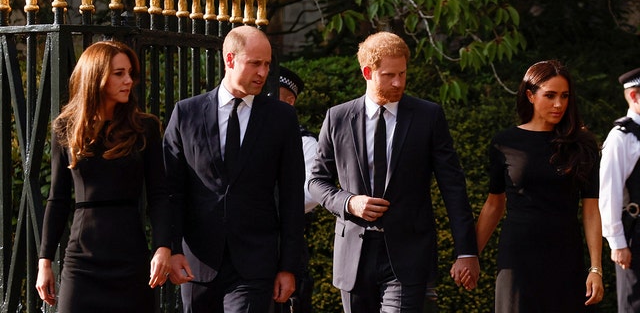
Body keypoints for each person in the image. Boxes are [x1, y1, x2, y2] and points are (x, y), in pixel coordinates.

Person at [308, 31, 479, 313]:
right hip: (354, 255)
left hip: (408, 255)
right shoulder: (337, 117)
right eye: (389, 75)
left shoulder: (428, 116)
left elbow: (453, 186)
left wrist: (466, 251)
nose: (399, 82)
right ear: (367, 71)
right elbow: (316, 181)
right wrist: (350, 202)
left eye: (402, 73)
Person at [163, 25, 305, 313]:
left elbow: (292, 196)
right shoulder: (186, 113)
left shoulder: (281, 118)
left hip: (255, 264)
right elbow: (170, 190)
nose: (263, 73)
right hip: (198, 263)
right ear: (230, 59)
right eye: (255, 63)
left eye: (266, 64)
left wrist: (289, 266)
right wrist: (171, 248)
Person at [35, 40, 174, 312]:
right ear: (96, 76)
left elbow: (159, 194)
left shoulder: (144, 127)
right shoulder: (66, 128)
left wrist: (163, 247)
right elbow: (58, 199)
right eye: (119, 73)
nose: (129, 80)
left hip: (130, 258)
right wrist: (45, 261)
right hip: (82, 261)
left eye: (130, 73)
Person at [475, 60, 604, 312]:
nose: (559, 104)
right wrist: (469, 256)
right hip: (517, 257)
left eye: (565, 96)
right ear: (530, 96)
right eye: (550, 95)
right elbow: (494, 204)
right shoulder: (504, 142)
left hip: (566, 255)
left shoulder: (583, 145)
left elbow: (590, 209)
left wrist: (596, 268)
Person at [274, 66, 317, 313]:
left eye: (273, 95)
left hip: (288, 241)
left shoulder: (306, 143)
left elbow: (311, 193)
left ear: (290, 102)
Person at [600, 67, 640, 312]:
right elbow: (609, 192)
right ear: (635, 97)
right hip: (636, 234)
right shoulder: (621, 137)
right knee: (634, 304)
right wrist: (617, 243)